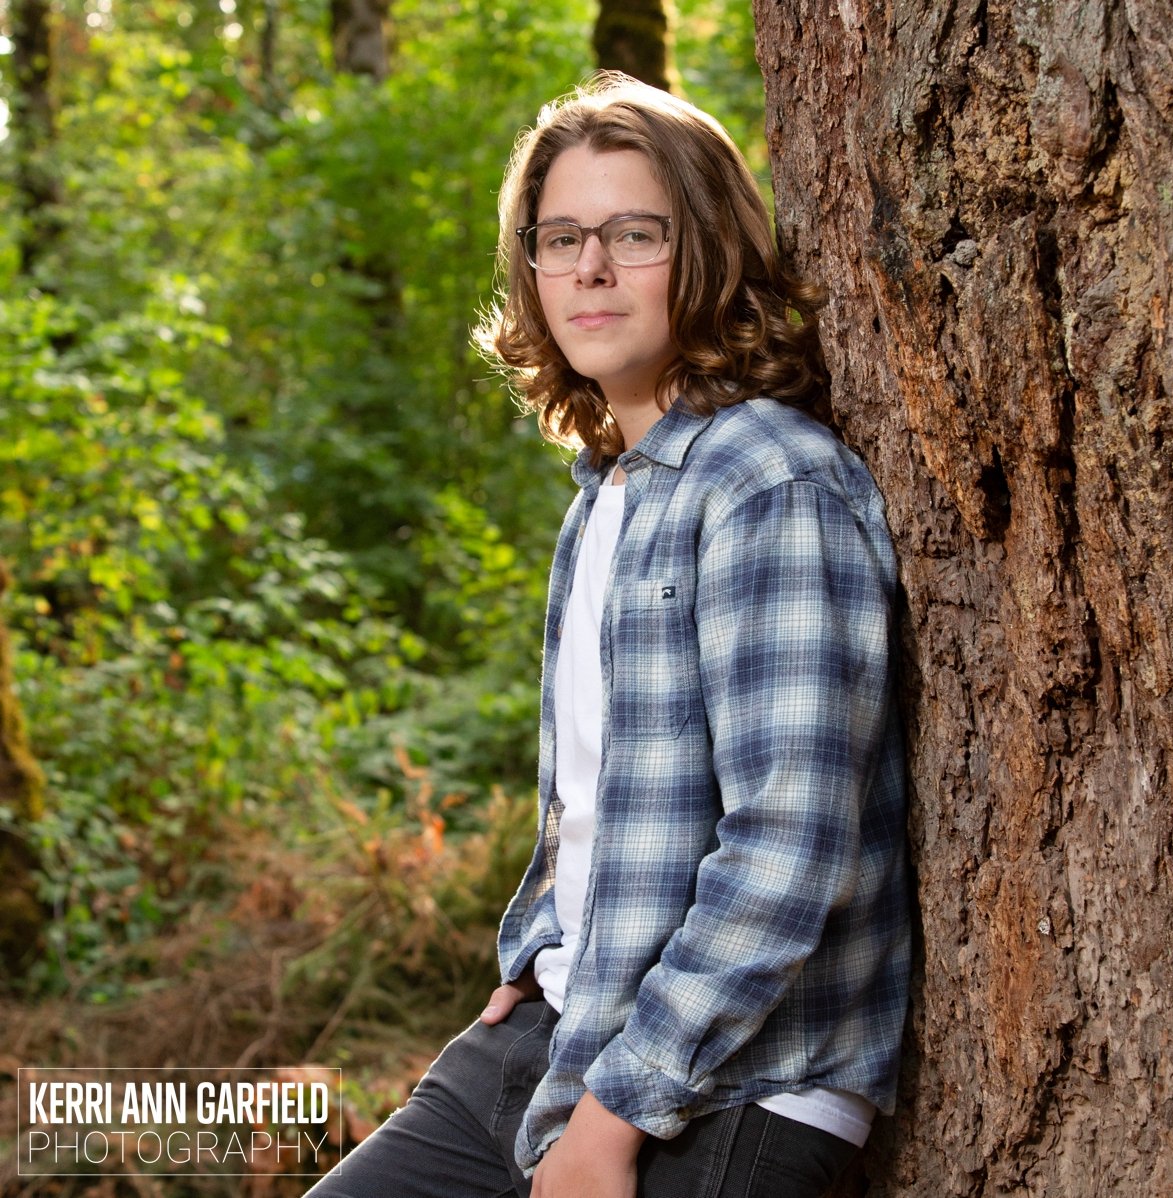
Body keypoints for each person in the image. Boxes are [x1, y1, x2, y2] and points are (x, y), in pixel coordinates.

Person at [307, 73, 910, 1198]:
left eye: (635, 233)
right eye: (561, 236)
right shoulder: (608, 495)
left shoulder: (765, 480)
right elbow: (602, 799)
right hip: (567, 1029)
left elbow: (789, 846)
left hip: (733, 1084)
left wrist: (613, 1115)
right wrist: (535, 954)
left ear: (710, 249)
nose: (590, 268)